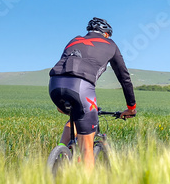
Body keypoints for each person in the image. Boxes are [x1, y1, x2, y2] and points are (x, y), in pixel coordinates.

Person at [49, 17, 137, 168]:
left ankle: (60, 153)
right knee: (86, 147)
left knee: (74, 117)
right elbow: (124, 78)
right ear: (106, 34)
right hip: (81, 87)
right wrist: (131, 107)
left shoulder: (74, 40)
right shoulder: (111, 44)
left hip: (55, 85)